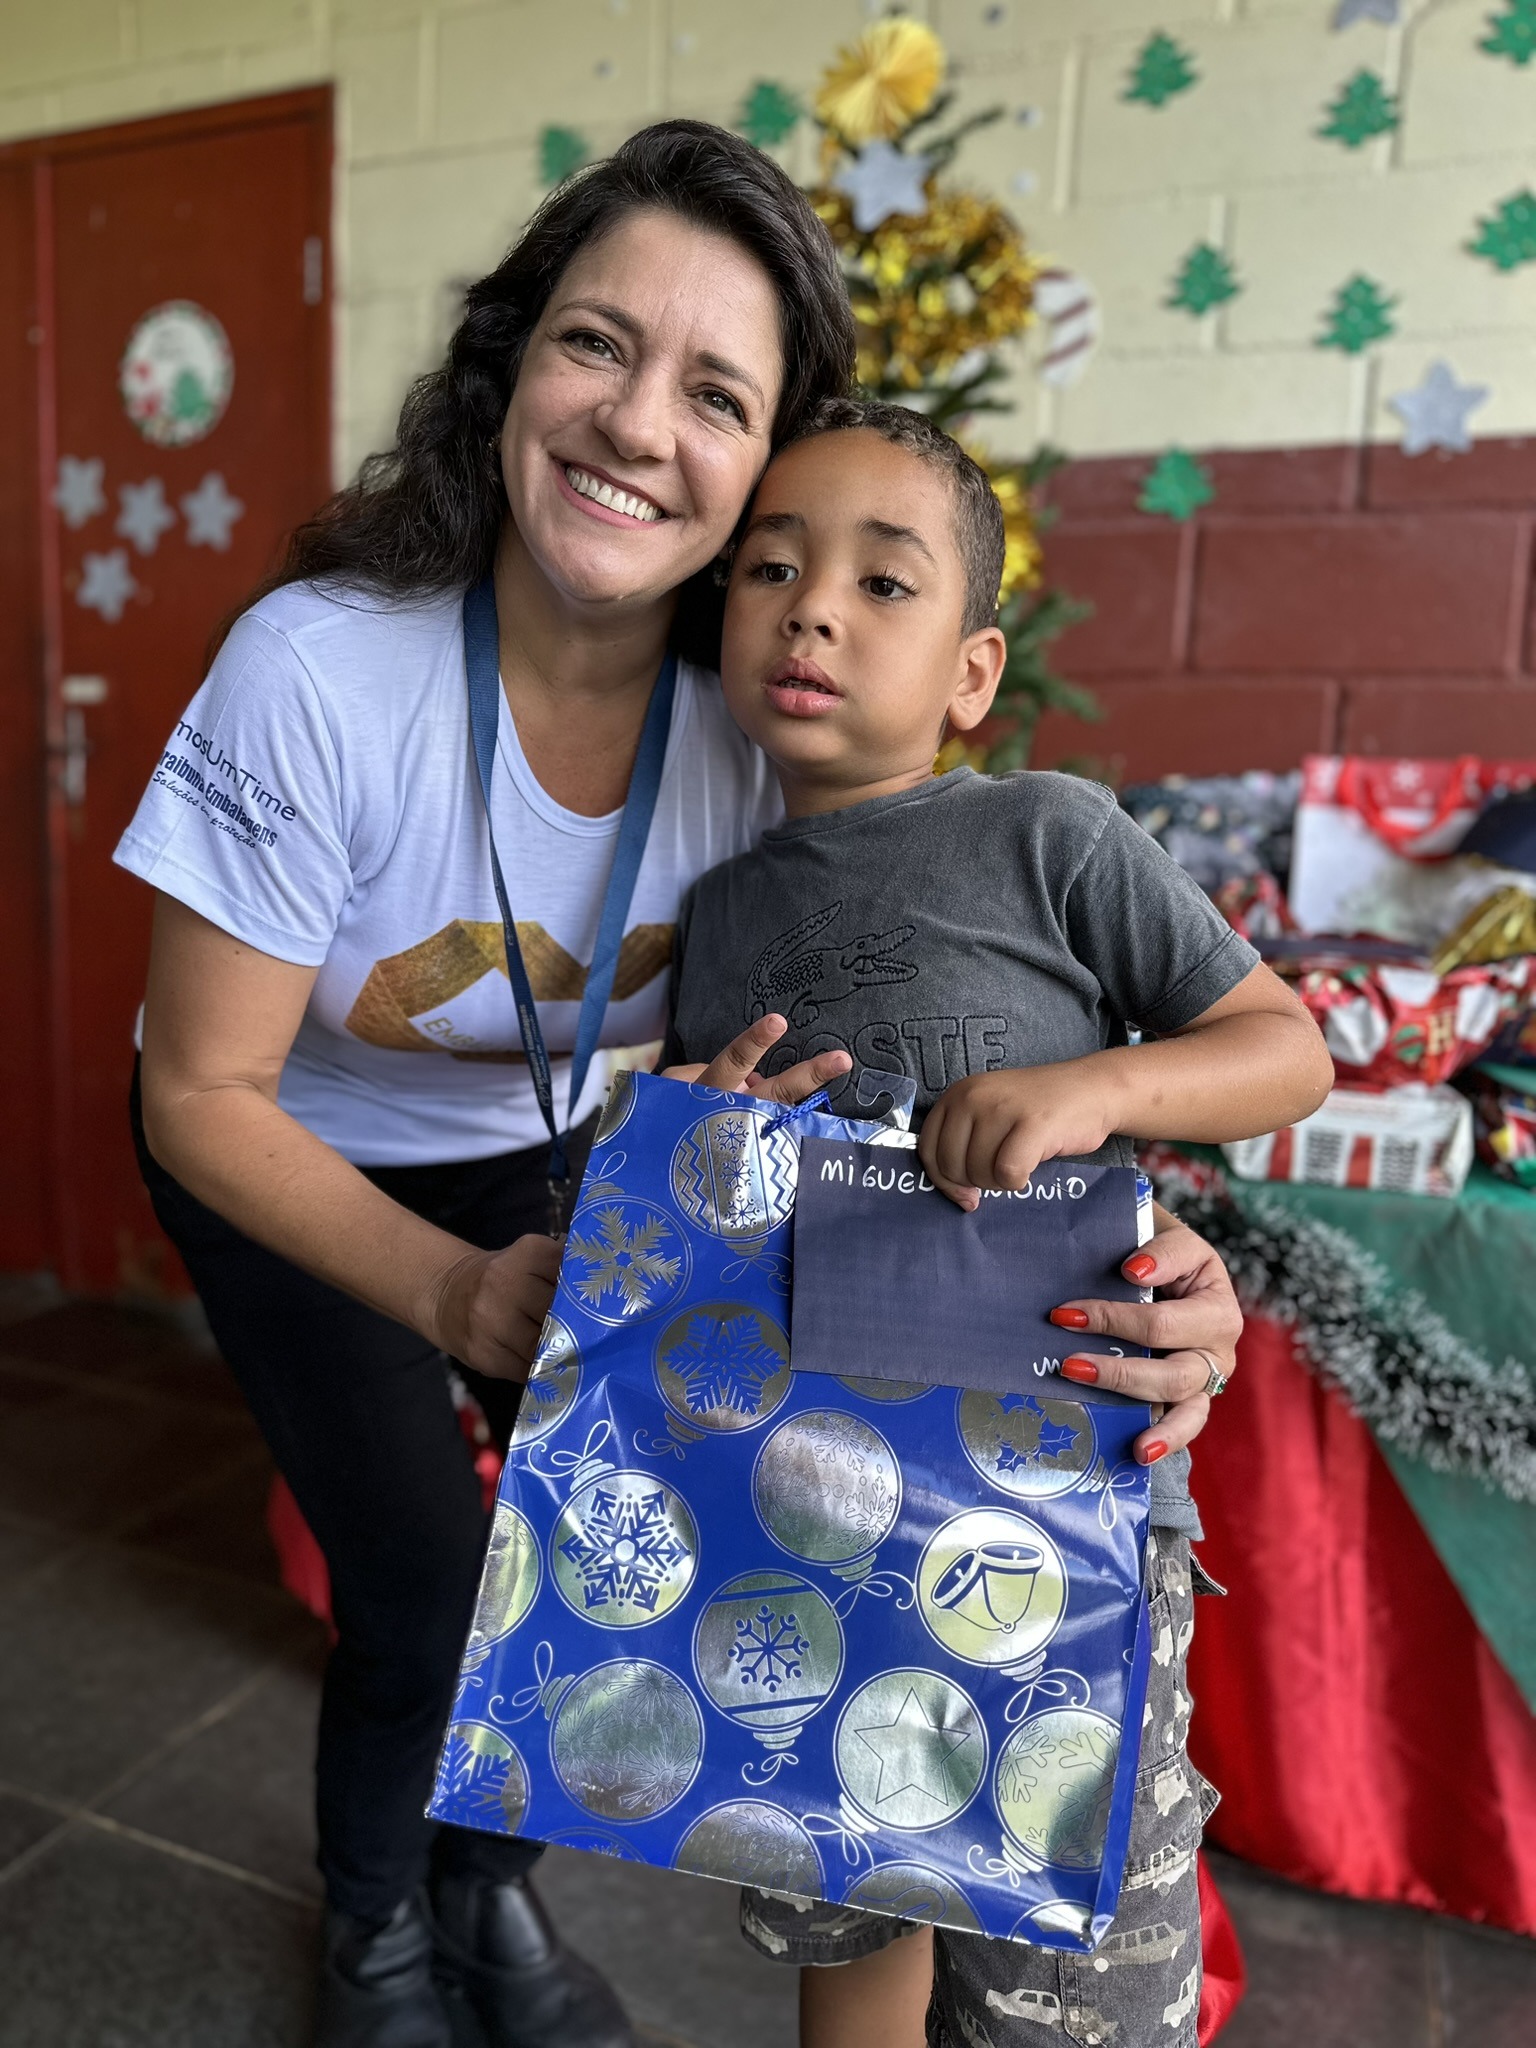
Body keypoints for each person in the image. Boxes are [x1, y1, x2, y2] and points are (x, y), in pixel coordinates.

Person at [115, 117, 1253, 2048]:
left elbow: (983, 1037)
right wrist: (453, 1291)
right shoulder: (321, 674)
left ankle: (486, 1906)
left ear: (763, 467)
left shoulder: (767, 712)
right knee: (417, 1574)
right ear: (507, 371)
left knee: (576, 1558)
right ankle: (377, 1932)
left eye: (716, 392)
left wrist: (1159, 1272)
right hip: (296, 1152)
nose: (641, 423)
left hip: (569, 1148)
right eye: (593, 346)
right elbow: (200, 1090)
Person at [661, 398, 1336, 2048]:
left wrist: (1093, 1088)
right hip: (811, 1520)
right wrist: (695, 1135)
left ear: (972, 669)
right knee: (856, 1923)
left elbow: (1286, 1048)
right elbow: (688, 1229)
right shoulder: (717, 906)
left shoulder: (1048, 835)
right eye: (770, 568)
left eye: (883, 584)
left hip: (1060, 1522)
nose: (812, 606)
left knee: (1066, 1988)